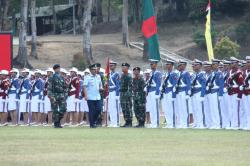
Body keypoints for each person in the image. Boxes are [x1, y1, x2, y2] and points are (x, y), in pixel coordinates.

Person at [83, 64, 103, 128]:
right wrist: (86, 95)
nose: (95, 70)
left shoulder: (98, 76)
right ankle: (92, 124)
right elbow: (84, 87)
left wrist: (101, 88)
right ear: (90, 70)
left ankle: (93, 121)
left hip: (97, 96)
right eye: (93, 69)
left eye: (96, 69)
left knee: (99, 109)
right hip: (90, 97)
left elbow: (100, 84)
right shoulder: (87, 77)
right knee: (91, 110)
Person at [48, 64, 67, 128]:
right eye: (57, 69)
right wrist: (51, 96)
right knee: (55, 110)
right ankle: (57, 124)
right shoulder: (51, 77)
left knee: (63, 109)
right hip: (54, 95)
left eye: (59, 68)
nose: (58, 70)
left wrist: (65, 95)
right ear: (55, 69)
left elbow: (65, 87)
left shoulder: (62, 77)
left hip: (61, 95)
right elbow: (49, 88)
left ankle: (57, 121)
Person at [227, 57, 244, 130]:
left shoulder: (239, 72)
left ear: (237, 63)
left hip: (236, 93)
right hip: (230, 92)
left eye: (233, 62)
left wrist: (239, 95)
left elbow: (241, 84)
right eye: (231, 62)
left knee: (236, 109)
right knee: (231, 109)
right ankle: (232, 124)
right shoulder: (230, 72)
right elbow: (228, 82)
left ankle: (236, 124)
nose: (231, 64)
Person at [161, 59, 178, 128]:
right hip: (165, 92)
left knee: (171, 109)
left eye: (168, 64)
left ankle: (173, 123)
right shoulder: (166, 74)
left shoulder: (174, 73)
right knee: (166, 109)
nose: (167, 66)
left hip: (170, 92)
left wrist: (174, 95)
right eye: (166, 64)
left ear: (172, 65)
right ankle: (168, 123)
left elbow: (175, 84)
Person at [174, 60, 191, 129]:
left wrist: (187, 93)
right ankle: (181, 123)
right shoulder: (178, 74)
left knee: (184, 109)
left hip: (184, 92)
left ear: (184, 66)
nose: (179, 67)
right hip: (179, 92)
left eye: (181, 65)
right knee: (180, 108)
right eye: (179, 65)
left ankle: (185, 123)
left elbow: (188, 83)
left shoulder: (186, 73)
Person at [190, 59, 206, 129]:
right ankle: (196, 123)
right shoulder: (193, 74)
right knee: (194, 109)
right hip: (194, 92)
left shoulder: (202, 74)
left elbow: (203, 85)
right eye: (193, 65)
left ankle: (201, 124)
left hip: (199, 92)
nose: (194, 66)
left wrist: (202, 95)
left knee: (200, 109)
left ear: (200, 66)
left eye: (196, 65)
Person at [146, 60, 162, 128]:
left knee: (155, 108)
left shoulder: (158, 73)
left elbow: (158, 83)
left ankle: (156, 123)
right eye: (151, 64)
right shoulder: (151, 73)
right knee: (151, 108)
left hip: (154, 92)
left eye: (152, 64)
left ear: (156, 65)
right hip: (150, 92)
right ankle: (153, 123)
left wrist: (157, 93)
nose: (151, 65)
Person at [108, 61, 120, 127]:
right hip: (110, 92)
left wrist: (117, 95)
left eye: (112, 65)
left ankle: (117, 122)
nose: (111, 67)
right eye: (110, 65)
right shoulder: (109, 74)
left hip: (115, 92)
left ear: (115, 66)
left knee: (116, 108)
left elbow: (118, 85)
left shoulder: (116, 74)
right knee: (111, 108)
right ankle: (112, 122)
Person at [120, 63, 133, 127]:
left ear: (127, 68)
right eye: (122, 67)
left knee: (128, 108)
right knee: (123, 108)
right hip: (122, 94)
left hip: (127, 94)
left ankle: (129, 122)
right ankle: (126, 121)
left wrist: (128, 95)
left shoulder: (129, 76)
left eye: (124, 67)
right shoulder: (122, 75)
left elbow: (130, 86)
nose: (122, 68)